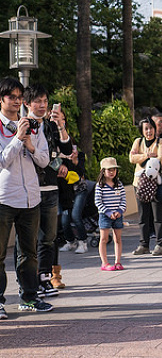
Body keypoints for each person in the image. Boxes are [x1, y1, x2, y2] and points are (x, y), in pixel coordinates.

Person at [0, 77, 52, 317]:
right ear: (1, 100)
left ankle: (29, 298)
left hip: (30, 197)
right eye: (11, 97)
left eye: (19, 97)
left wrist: (30, 144)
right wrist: (17, 139)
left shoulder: (33, 125)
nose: (16, 101)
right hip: (4, 197)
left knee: (29, 252)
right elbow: (2, 161)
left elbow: (44, 160)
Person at [22, 85, 72, 298]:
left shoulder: (51, 126)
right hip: (28, 188)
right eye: (37, 101)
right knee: (28, 239)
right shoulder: (23, 125)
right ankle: (28, 282)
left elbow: (67, 150)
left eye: (45, 101)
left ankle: (45, 277)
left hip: (51, 188)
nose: (42, 105)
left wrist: (61, 125)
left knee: (49, 237)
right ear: (27, 103)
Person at [129, 117, 162, 256]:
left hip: (154, 182)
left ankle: (160, 244)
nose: (149, 131)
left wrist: (140, 156)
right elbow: (131, 158)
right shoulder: (137, 142)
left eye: (151, 128)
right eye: (146, 128)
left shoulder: (160, 142)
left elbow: (160, 158)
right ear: (142, 130)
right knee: (142, 215)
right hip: (139, 183)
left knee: (158, 215)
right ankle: (143, 244)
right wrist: (146, 155)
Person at [95, 158, 126, 271]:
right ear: (103, 171)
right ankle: (104, 263)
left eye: (114, 169)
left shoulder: (119, 184)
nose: (112, 172)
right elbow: (98, 202)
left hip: (117, 215)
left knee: (118, 238)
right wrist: (108, 213)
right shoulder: (100, 186)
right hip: (105, 215)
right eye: (109, 170)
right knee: (104, 239)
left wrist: (119, 211)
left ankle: (118, 262)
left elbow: (123, 200)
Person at [59, 144, 89, 255]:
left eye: (73, 148)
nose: (72, 151)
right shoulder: (59, 159)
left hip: (80, 190)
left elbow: (80, 172)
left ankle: (83, 242)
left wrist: (75, 161)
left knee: (76, 215)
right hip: (66, 194)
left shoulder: (80, 156)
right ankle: (70, 241)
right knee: (64, 220)